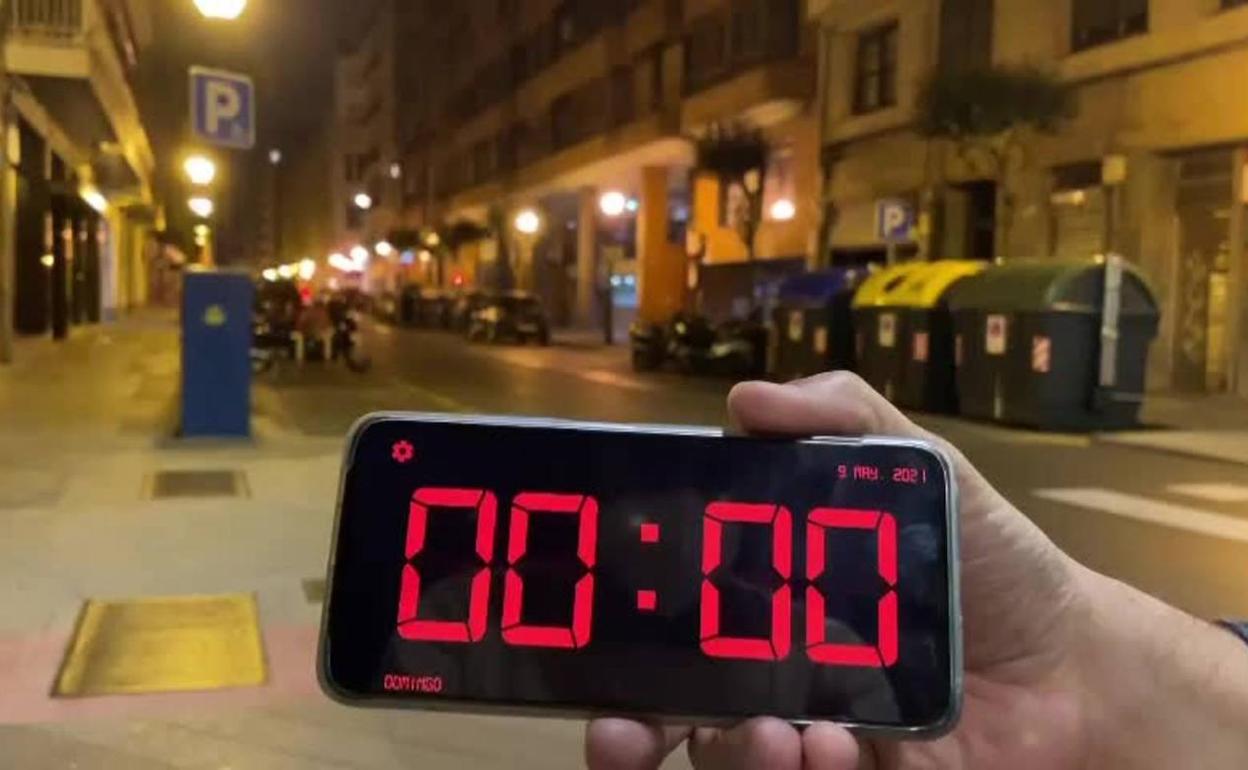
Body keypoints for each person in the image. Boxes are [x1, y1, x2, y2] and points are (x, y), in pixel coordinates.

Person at [585, 372, 1248, 770]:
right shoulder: (584, 645)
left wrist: (1078, 665)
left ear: (729, 533)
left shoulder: (822, 643)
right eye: (640, 524)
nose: (659, 539)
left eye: (678, 513)